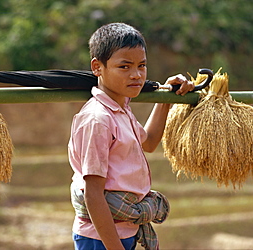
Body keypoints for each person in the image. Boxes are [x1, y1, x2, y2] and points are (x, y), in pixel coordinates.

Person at [68, 22, 194, 250]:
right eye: (124, 67)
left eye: (141, 66)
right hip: (100, 238)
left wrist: (165, 96)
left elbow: (151, 142)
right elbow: (93, 194)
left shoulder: (121, 108)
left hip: (123, 231)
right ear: (98, 67)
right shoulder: (98, 119)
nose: (136, 75)